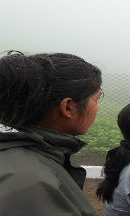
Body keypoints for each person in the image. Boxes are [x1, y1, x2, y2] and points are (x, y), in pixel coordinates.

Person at [0, 51, 102, 216]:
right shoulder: (32, 182)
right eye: (96, 100)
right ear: (68, 107)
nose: (97, 108)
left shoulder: (17, 156)